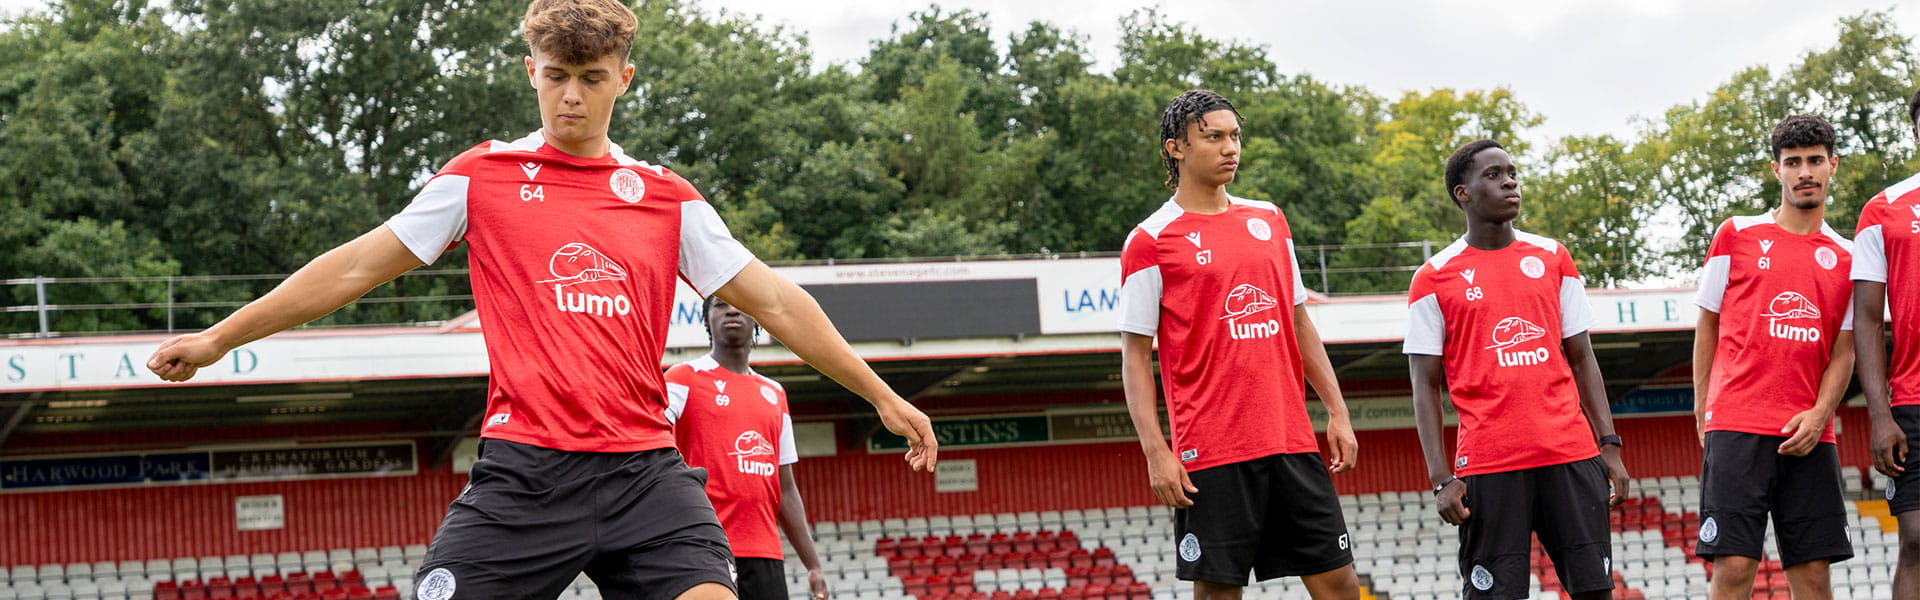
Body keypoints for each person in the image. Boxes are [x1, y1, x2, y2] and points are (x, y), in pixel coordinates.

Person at [144, 1, 937, 599]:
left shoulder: (666, 199)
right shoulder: (479, 178)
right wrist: (221, 337)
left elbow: (778, 303)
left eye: (592, 80)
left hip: (646, 476)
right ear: (532, 72)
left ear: (622, 79)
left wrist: (880, 393)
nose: (571, 99)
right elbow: (354, 269)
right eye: (556, 77)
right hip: (524, 477)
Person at [1116, 89, 1362, 600]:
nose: (1231, 148)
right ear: (1175, 148)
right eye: (1213, 137)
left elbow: (1298, 323)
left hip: (1291, 439)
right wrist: (1156, 450)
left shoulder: (1269, 220)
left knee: (1340, 584)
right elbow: (1136, 356)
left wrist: (1337, 411)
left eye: (1235, 136)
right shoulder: (1150, 240)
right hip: (1212, 452)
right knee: (1218, 594)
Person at [1405, 139, 1630, 600]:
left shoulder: (1553, 257)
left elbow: (1583, 357)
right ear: (1462, 193)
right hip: (1489, 466)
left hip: (1570, 456)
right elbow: (1425, 385)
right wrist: (1440, 478)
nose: (1509, 181)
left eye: (1512, 172)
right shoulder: (1434, 276)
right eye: (1493, 174)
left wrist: (1609, 445)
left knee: (1596, 593)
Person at [1693, 113, 1854, 600]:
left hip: (1809, 431)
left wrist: (1820, 414)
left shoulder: (1848, 257)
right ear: (1776, 171)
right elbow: (1707, 326)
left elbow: (1844, 352)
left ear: (1833, 166)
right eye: (1793, 162)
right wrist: (1704, 411)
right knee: (1735, 567)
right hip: (1738, 424)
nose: (1805, 171)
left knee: (1812, 576)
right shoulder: (1736, 234)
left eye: (1814, 161)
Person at [666, 296, 829, 600]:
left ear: (757, 320)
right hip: (704, 548)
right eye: (719, 304)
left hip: (765, 553)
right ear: (706, 319)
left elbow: (787, 488)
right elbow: (649, 438)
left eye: (741, 304)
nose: (731, 309)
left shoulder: (775, 394)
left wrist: (813, 564)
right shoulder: (683, 378)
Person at [1851, 88, 1920, 600]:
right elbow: (1867, 320)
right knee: (1917, 540)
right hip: (1913, 400)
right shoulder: (1884, 210)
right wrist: (1880, 415)